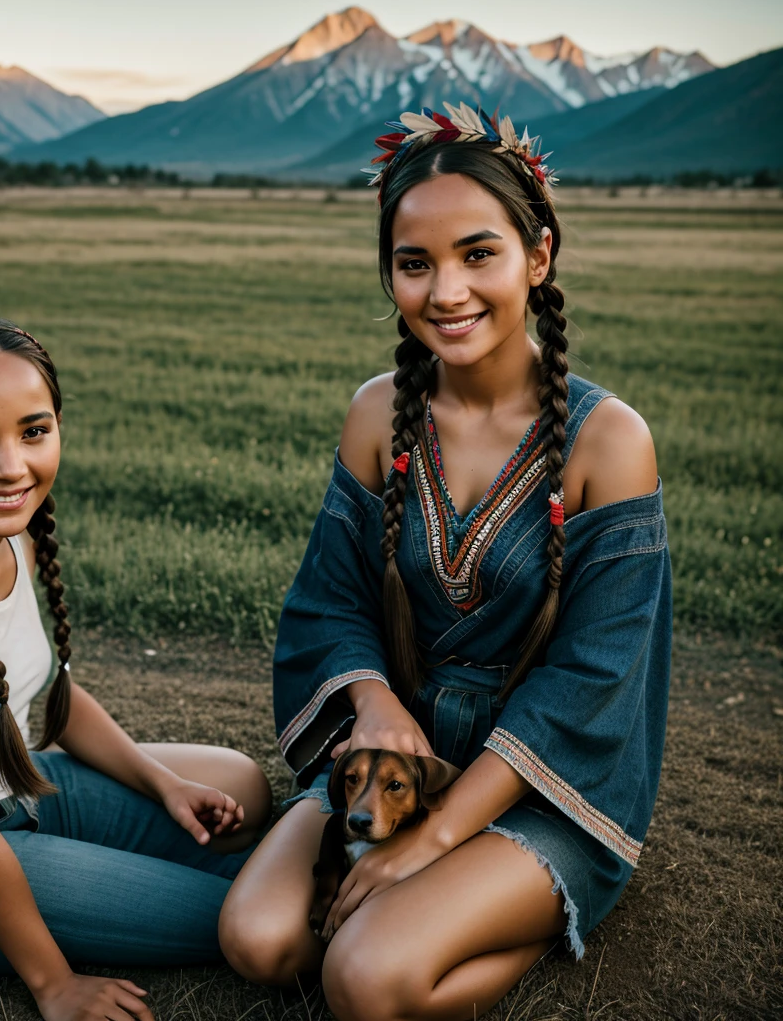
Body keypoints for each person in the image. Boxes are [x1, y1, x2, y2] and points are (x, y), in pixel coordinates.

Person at [219, 106, 671, 1020]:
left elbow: (593, 680)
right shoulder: (375, 414)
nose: (446, 291)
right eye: (414, 263)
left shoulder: (608, 441)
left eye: (479, 254)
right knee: (259, 942)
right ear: (389, 273)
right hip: (405, 762)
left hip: (542, 780)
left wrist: (436, 842)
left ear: (538, 256)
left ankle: (540, 907)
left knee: (360, 977)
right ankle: (436, 908)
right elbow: (330, 599)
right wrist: (377, 704)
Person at [0, 318, 271, 1021]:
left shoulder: (12, 543)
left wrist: (165, 787)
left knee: (241, 789)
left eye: (32, 431)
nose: (11, 466)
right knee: (253, 919)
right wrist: (54, 986)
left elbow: (53, 701)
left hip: (21, 786)